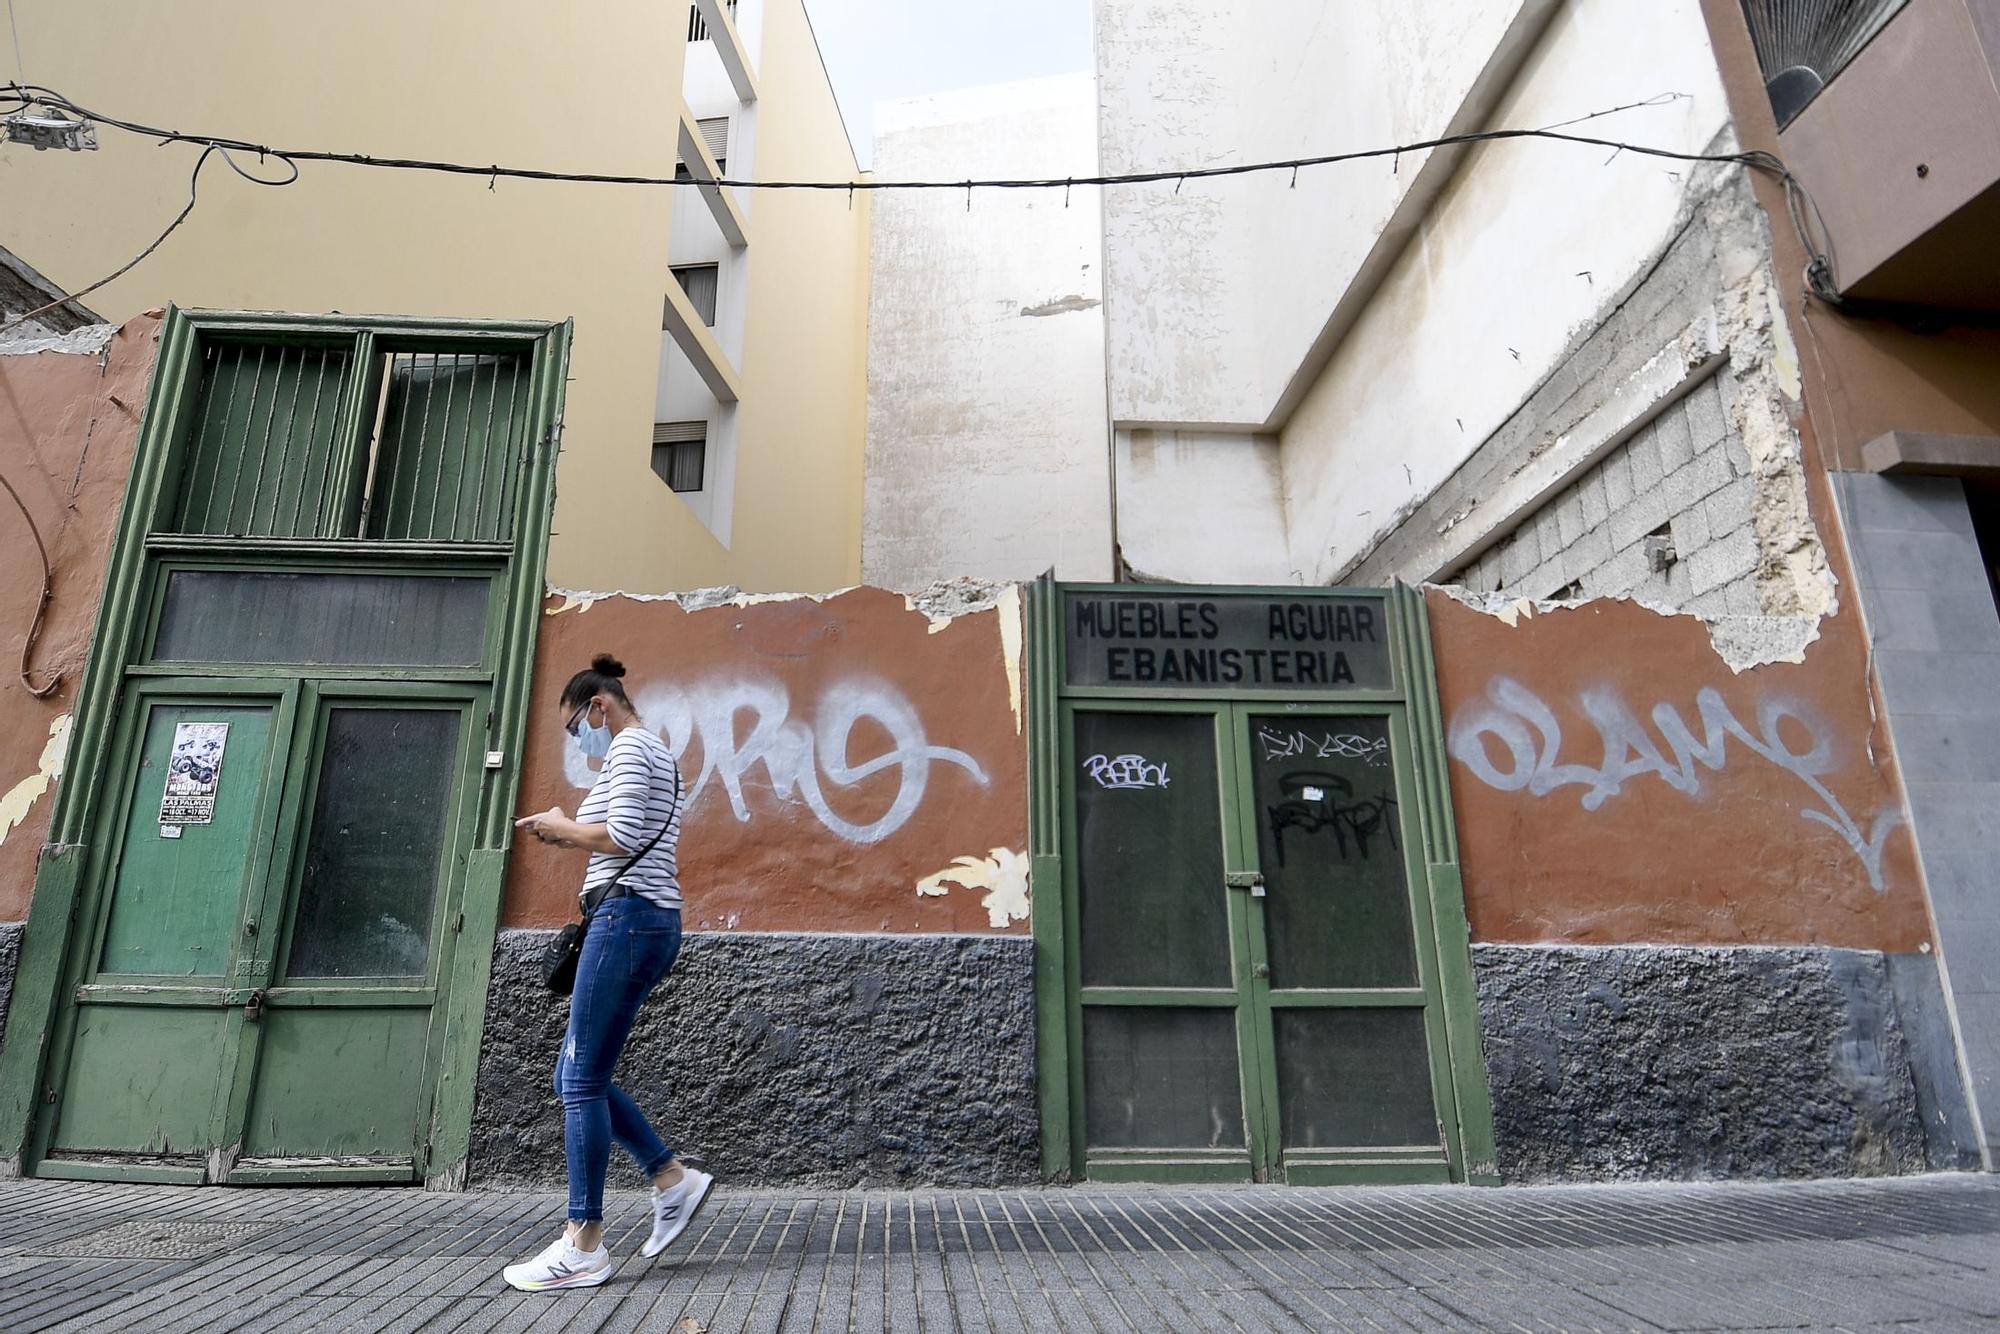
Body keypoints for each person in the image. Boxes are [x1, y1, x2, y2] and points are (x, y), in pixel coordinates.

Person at [501, 653, 714, 1293]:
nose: (579, 742)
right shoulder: (655, 755)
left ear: (600, 706)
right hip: (640, 921)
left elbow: (618, 835)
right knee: (575, 1074)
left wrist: (561, 827)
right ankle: (671, 1178)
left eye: (576, 728)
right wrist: (571, 830)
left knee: (582, 1079)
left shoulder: (629, 748)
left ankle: (584, 1243)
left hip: (627, 920)